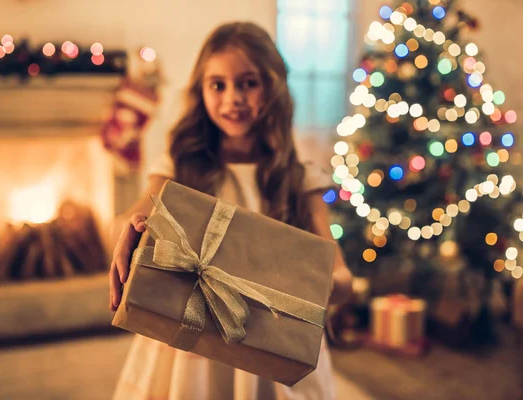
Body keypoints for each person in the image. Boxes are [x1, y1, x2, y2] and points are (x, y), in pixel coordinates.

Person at [109, 21, 353, 400]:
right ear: (200, 90)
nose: (232, 98)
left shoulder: (297, 177)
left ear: (273, 86)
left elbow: (340, 278)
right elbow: (135, 216)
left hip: (270, 347)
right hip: (188, 345)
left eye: (248, 83)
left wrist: (313, 290)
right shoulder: (178, 166)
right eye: (217, 84)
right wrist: (130, 230)